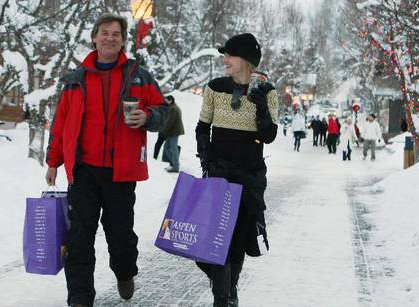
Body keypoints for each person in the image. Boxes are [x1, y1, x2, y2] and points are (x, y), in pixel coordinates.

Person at [44, 13, 167, 307]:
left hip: (120, 173)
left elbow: (164, 111)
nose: (110, 37)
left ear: (123, 40)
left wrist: (147, 116)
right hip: (83, 171)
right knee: (79, 239)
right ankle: (80, 298)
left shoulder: (138, 74)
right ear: (94, 38)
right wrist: (53, 160)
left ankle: (125, 272)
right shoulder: (76, 79)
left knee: (121, 236)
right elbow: (60, 122)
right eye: (104, 33)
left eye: (116, 33)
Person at [195, 33, 277, 307]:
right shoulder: (215, 87)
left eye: (230, 55)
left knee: (239, 238)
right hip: (219, 173)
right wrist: (206, 158)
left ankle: (228, 292)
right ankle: (222, 291)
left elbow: (269, 135)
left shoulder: (267, 91)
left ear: (246, 61)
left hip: (250, 176)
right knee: (214, 239)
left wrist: (262, 106)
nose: (225, 60)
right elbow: (203, 126)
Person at [161, 95, 185, 172]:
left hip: (174, 131)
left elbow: (170, 122)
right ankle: (173, 164)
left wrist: (164, 131)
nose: (165, 101)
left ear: (170, 100)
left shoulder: (173, 109)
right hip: (173, 131)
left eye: (166, 100)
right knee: (167, 147)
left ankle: (176, 167)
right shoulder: (174, 107)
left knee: (173, 148)